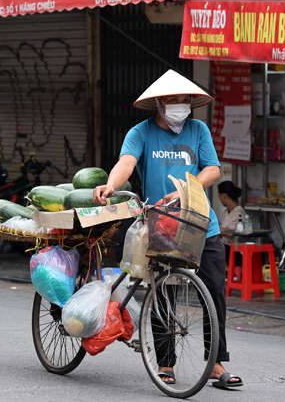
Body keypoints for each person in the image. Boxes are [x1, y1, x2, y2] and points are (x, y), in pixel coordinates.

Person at [93, 69, 243, 390]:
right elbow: (127, 163)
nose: (179, 105)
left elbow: (212, 169)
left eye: (184, 100)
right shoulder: (141, 132)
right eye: (172, 100)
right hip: (160, 223)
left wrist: (187, 187)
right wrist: (110, 185)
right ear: (159, 102)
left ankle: (216, 364)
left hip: (202, 224)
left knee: (214, 290)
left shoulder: (199, 130)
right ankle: (165, 363)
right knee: (164, 293)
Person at [217, 181, 245, 268]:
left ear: (224, 195)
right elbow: (222, 230)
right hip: (226, 247)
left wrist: (217, 229)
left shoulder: (239, 212)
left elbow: (230, 233)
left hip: (237, 251)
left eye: (220, 196)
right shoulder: (226, 212)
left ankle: (226, 272)